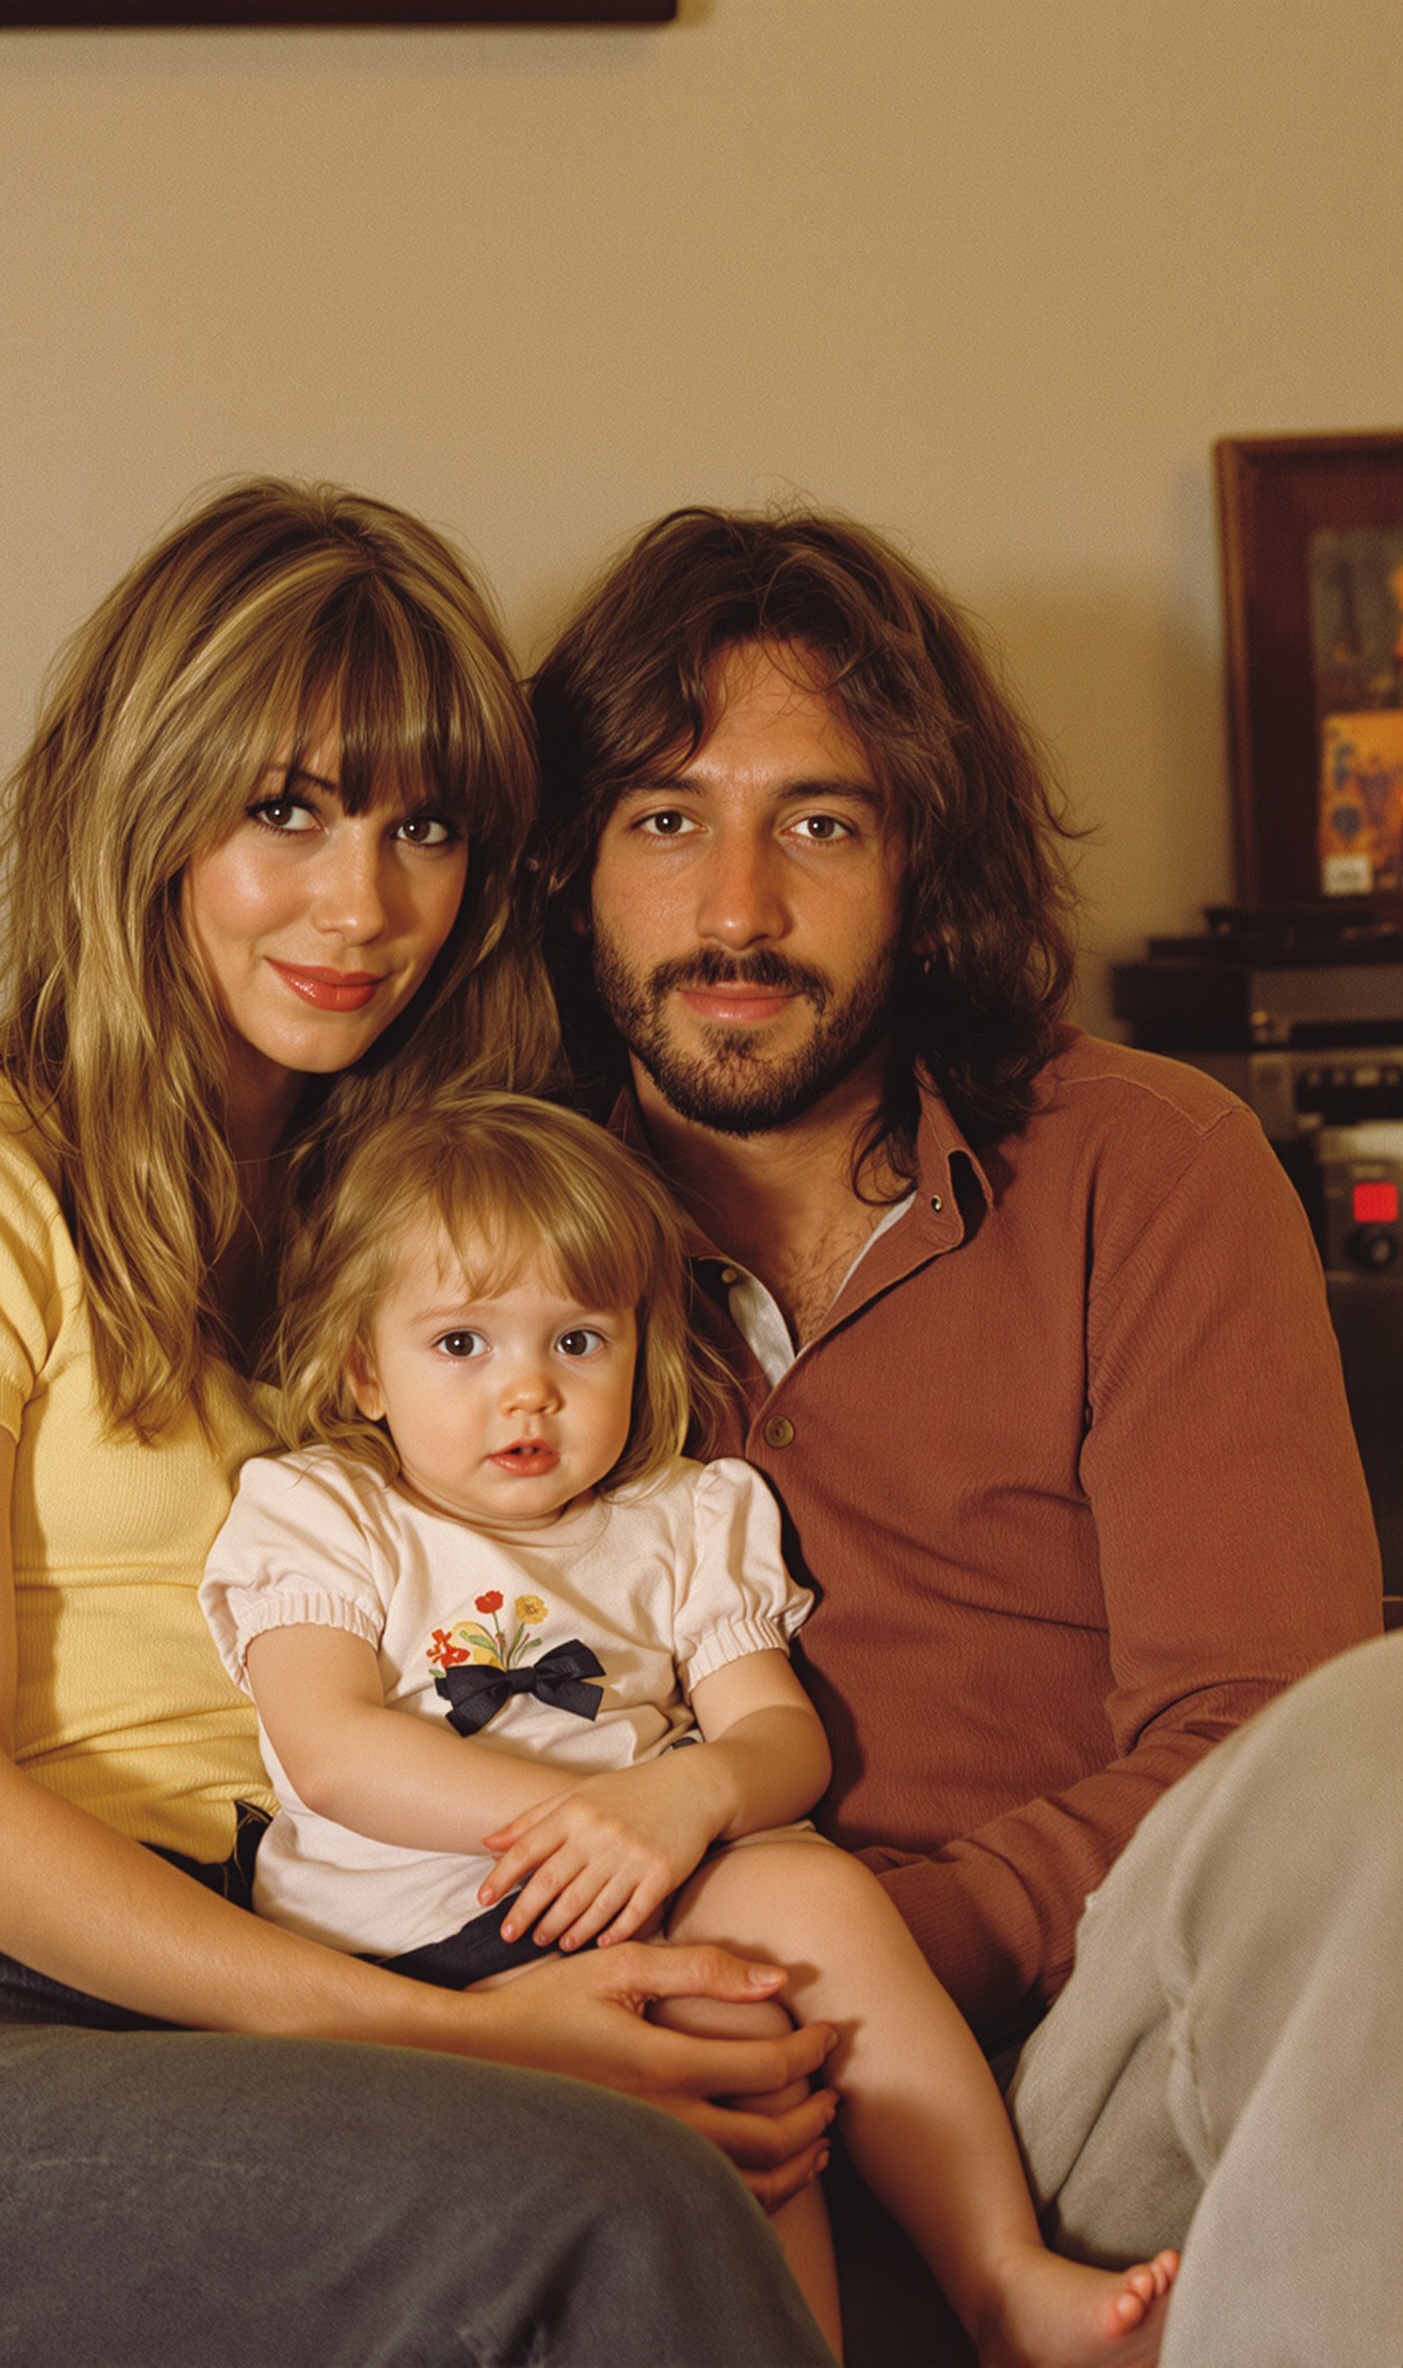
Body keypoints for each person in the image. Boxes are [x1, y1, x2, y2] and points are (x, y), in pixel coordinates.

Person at [0, 480, 843, 2368]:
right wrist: (472, 2034)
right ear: (148, 808)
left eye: (425, 828)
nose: (362, 903)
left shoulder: (416, 1235)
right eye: (284, 811)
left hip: (329, 1973)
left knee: (727, 2062)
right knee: (604, 2178)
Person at [529, 502, 1391, 2358]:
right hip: (620, 2068)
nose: (736, 906)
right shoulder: (468, 1224)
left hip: (1077, 2038)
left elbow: (1263, 1737)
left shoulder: (1146, 1171)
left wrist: (861, 1949)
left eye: (818, 822)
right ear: (574, 864)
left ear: (928, 860)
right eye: (666, 818)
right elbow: (67, 1141)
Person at [200, 1087, 1179, 2368]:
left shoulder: (682, 1517)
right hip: (407, 1944)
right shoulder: (326, 1509)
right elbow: (329, 1749)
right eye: (460, 1345)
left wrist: (680, 1803)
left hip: (656, 1890)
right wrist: (571, 1822)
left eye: (576, 1342)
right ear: (360, 1368)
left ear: (638, 1347)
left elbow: (780, 1742)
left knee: (788, 1956)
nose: (526, 1395)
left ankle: (993, 2276)